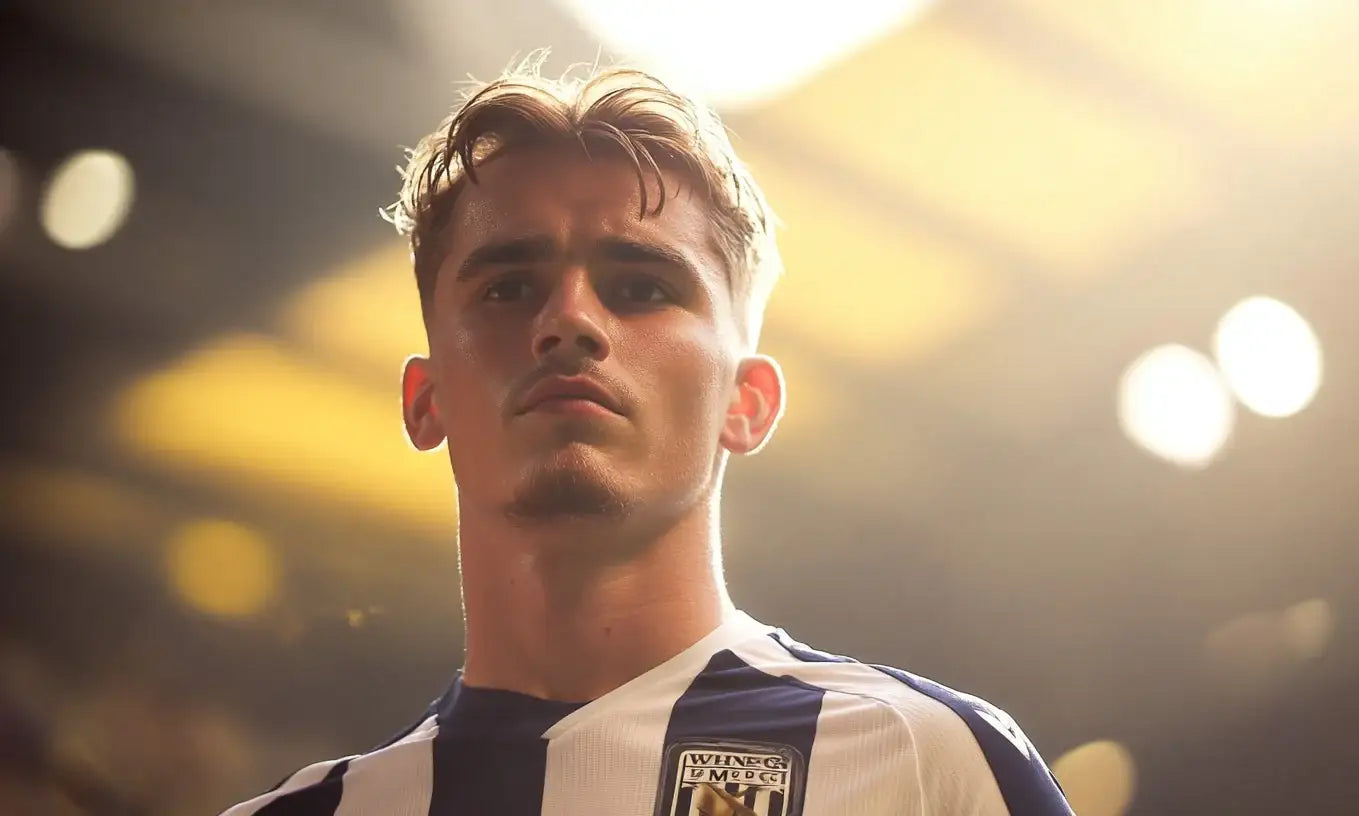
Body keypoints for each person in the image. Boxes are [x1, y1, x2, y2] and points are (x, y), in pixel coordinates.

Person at [221, 57, 1073, 816]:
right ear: (425, 398)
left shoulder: (920, 765)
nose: (569, 320)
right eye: (510, 288)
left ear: (748, 401)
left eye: (640, 286)